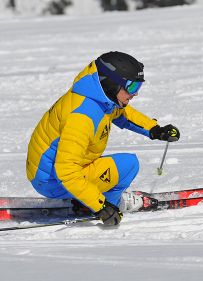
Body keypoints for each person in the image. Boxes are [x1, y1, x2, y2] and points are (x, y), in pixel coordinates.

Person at [26, 51, 180, 226]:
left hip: (50, 173)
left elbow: (121, 114)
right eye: (131, 87)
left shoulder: (98, 97)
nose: (135, 94)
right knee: (128, 166)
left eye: (137, 87)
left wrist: (155, 130)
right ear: (112, 83)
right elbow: (66, 171)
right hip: (52, 181)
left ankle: (88, 199)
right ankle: (110, 203)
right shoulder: (82, 117)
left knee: (124, 164)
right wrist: (101, 206)